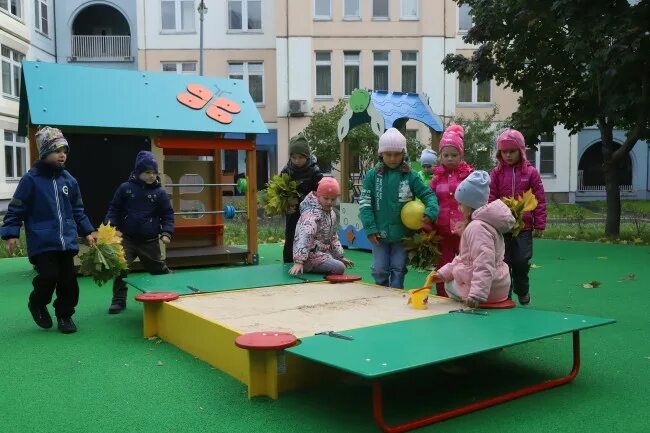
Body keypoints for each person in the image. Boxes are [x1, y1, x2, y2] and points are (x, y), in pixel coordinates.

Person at [1, 127, 95, 334]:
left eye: (65, 151)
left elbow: (78, 209)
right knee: (48, 276)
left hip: (66, 242)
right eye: (56, 150)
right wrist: (11, 233)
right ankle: (37, 302)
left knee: (69, 283)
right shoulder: (31, 180)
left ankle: (64, 315)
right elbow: (17, 207)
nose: (62, 155)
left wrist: (88, 231)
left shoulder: (69, 181)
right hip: (42, 242)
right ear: (44, 153)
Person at [359, 128, 439, 289]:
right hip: (379, 234)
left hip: (403, 235)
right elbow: (365, 203)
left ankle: (396, 294)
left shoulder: (411, 176)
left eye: (397, 154)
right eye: (388, 154)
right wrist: (370, 228)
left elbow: (429, 195)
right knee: (380, 269)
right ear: (381, 154)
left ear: (404, 153)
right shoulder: (372, 175)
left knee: (398, 268)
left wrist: (430, 211)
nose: (393, 158)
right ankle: (381, 293)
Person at [430, 171, 516, 307]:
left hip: (488, 291)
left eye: (460, 204)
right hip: (498, 285)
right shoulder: (486, 223)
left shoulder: (476, 228)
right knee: (451, 277)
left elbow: (484, 261)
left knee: (450, 285)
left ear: (470, 206)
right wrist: (443, 273)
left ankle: (471, 298)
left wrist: (477, 294)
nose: (459, 208)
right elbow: (464, 258)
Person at [104, 150, 174, 314]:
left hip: (149, 241)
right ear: (138, 172)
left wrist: (166, 232)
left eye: (154, 173)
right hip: (127, 239)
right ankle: (119, 300)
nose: (151, 176)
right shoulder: (126, 188)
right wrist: (109, 226)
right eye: (147, 172)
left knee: (158, 269)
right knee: (121, 268)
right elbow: (114, 208)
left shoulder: (159, 193)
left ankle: (167, 293)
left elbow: (168, 214)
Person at [488, 128, 547, 305]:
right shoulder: (497, 173)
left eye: (512, 151)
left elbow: (539, 199)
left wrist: (540, 224)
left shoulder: (530, 173)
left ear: (521, 151)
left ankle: (522, 289)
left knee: (521, 261)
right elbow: (491, 197)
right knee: (503, 262)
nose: (508, 155)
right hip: (502, 227)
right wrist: (491, 222)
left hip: (524, 226)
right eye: (504, 152)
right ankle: (505, 295)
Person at [429, 126, 473, 296]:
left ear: (461, 156)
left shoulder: (467, 175)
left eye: (454, 155)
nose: (449, 159)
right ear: (440, 156)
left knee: (466, 263)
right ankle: (442, 294)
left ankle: (465, 292)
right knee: (443, 263)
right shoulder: (436, 178)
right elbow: (430, 197)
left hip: (464, 229)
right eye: (445, 155)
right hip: (443, 228)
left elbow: (475, 196)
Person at [289, 178, 353, 275]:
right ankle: (306, 265)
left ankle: (329, 261)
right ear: (318, 196)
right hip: (309, 257)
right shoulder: (311, 215)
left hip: (321, 254)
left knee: (339, 265)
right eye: (326, 198)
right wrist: (299, 261)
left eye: (333, 199)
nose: (329, 202)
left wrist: (340, 256)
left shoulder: (331, 213)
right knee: (339, 268)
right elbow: (305, 236)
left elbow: (333, 237)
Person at [281, 133, 323, 263]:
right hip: (293, 211)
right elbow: (280, 190)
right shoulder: (287, 170)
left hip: (309, 212)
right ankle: (288, 262)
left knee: (308, 236)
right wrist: (287, 203)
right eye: (293, 157)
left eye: (300, 157)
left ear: (307, 156)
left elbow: (320, 192)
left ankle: (310, 261)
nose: (297, 161)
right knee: (291, 235)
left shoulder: (314, 171)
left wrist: (307, 201)